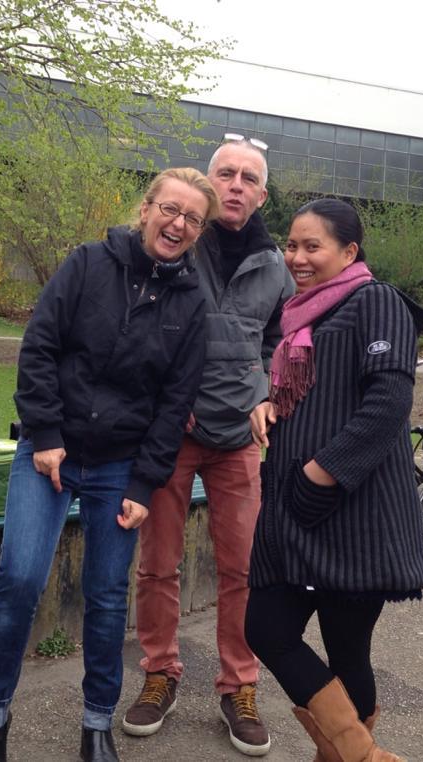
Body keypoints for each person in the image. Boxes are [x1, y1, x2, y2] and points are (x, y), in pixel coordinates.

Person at [0, 168, 219, 762]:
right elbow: (40, 347)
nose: (178, 224)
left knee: (106, 595)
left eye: (192, 218)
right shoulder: (87, 264)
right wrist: (45, 434)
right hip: (50, 451)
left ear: (199, 232)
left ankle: (96, 725)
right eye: (170, 209)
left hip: (120, 466)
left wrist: (145, 482)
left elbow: (175, 404)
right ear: (146, 209)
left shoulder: (193, 303)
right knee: (19, 580)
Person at [122, 135, 295, 756]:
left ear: (262, 195)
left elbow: (282, 342)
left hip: (239, 438)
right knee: (157, 564)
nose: (236, 185)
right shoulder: (179, 243)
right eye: (226, 173)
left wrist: (266, 392)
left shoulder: (276, 265)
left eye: (249, 178)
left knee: (242, 569)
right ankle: (160, 673)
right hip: (170, 433)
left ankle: (238, 686)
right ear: (209, 179)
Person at [244, 198, 423, 762]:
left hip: (354, 514)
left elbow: (388, 402)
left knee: (347, 652)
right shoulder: (302, 315)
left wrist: (318, 475)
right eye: (291, 245)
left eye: (313, 246)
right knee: (267, 629)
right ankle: (364, 756)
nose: (297, 257)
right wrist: (270, 404)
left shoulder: (376, 301)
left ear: (349, 252)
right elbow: (315, 393)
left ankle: (350, 756)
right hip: (297, 517)